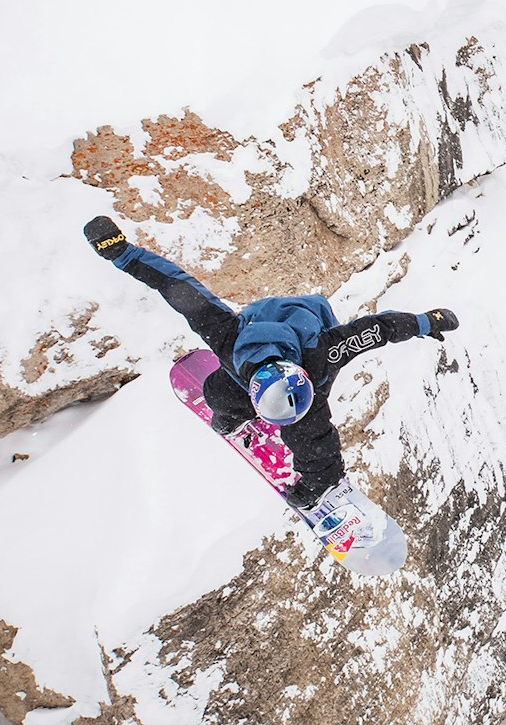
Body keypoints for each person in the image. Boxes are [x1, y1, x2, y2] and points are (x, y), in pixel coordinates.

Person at [84, 215, 457, 507]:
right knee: (220, 392)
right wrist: (122, 252)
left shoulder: (325, 352)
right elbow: (175, 284)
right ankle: (233, 415)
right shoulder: (226, 338)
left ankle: (321, 483)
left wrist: (427, 322)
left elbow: (379, 329)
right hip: (253, 347)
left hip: (307, 331)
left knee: (312, 435)